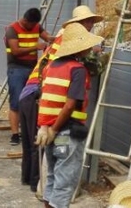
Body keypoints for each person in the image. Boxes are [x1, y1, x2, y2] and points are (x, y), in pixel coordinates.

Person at [18, 5, 104, 193]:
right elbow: (94, 70)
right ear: (79, 24)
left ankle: (33, 183)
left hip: (31, 91)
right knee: (43, 145)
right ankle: (39, 187)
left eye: (91, 21)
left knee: (33, 143)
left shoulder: (61, 38)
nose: (90, 25)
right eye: (88, 22)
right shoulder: (74, 44)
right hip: (39, 94)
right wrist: (98, 53)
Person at [35, 22, 104, 208]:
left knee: (52, 176)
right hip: (65, 131)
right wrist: (55, 130)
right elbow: (70, 104)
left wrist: (46, 128)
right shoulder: (78, 70)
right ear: (81, 48)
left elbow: (45, 98)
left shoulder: (51, 66)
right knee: (65, 180)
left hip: (48, 130)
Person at [5, 8, 55, 146]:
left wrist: (56, 39)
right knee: (16, 102)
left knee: (32, 100)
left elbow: (47, 37)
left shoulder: (36, 26)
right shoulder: (12, 29)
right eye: (31, 25)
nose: (34, 28)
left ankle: (29, 131)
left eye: (36, 25)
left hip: (33, 69)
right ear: (25, 20)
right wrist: (36, 47)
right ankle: (15, 135)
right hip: (17, 69)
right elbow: (15, 51)